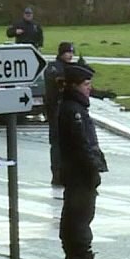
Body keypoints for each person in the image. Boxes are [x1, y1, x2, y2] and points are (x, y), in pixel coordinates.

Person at [56, 63, 110, 259]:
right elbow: (81, 144)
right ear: (75, 85)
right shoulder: (73, 110)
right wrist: (93, 168)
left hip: (74, 170)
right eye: (86, 84)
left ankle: (74, 257)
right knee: (81, 214)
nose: (89, 87)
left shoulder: (73, 106)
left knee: (74, 213)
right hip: (79, 171)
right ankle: (81, 257)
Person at [43, 41, 79, 187]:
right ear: (61, 53)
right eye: (67, 52)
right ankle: (57, 174)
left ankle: (69, 173)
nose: (70, 55)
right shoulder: (53, 67)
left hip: (69, 112)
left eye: (71, 52)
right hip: (55, 112)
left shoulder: (71, 67)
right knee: (57, 144)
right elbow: (58, 81)